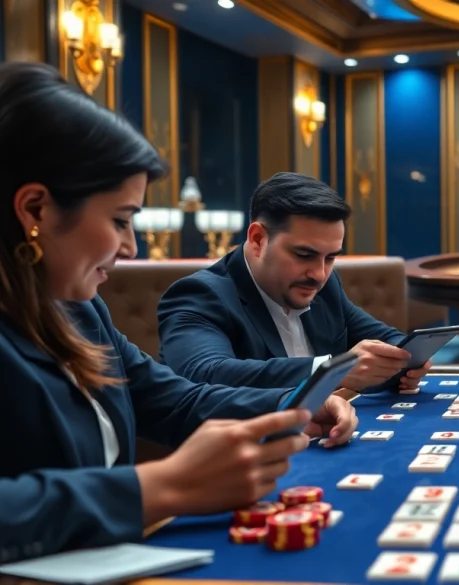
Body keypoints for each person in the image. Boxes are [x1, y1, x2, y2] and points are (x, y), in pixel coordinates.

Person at [0, 62, 356, 561]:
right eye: (121, 220)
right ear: (35, 210)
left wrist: (292, 405)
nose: (131, 248)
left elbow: (176, 402)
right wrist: (161, 487)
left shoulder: (80, 311)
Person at [157, 172, 427, 393]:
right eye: (304, 255)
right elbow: (207, 373)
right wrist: (336, 370)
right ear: (258, 239)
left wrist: (406, 360)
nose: (319, 274)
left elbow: (385, 338)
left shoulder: (325, 284)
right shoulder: (198, 295)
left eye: (330, 258)